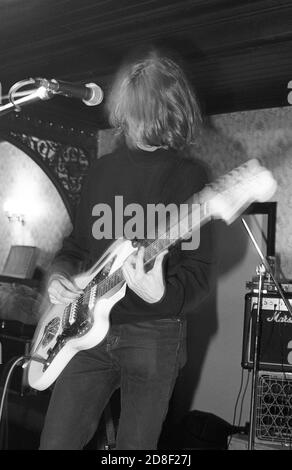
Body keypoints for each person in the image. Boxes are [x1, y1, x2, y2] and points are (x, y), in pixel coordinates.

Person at [39, 48, 214, 450]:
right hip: (84, 331)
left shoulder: (189, 178)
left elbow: (200, 270)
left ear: (172, 111)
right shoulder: (101, 171)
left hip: (153, 335)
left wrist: (163, 294)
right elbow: (74, 246)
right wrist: (59, 277)